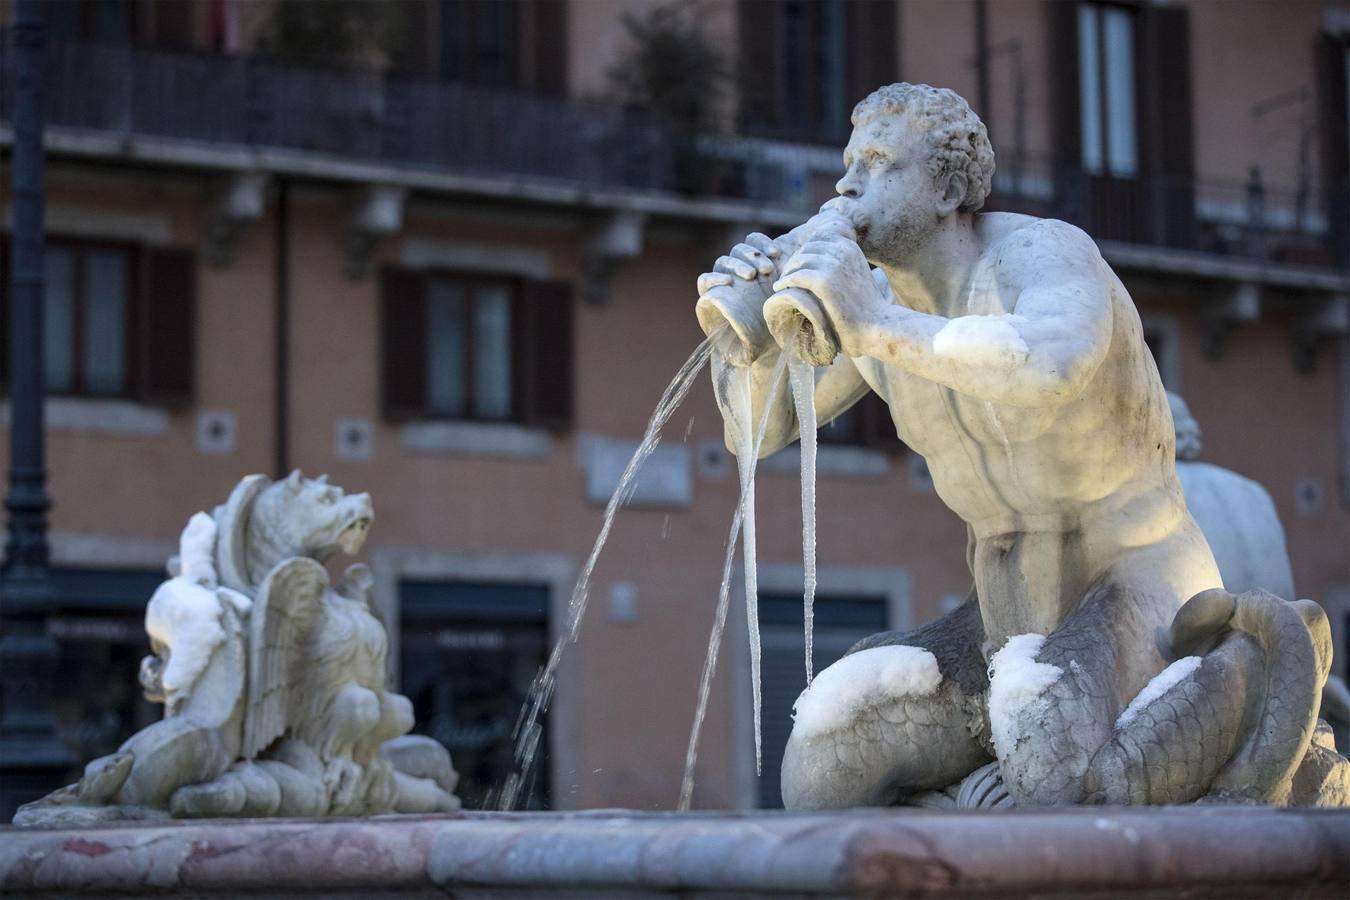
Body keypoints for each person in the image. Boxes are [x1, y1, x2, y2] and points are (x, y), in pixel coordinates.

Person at [696, 83, 1233, 807]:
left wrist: (869, 323)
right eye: (848, 163)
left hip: (1140, 583)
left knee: (1043, 740)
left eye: (880, 163)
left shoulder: (1040, 253)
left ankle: (1238, 682)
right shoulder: (878, 304)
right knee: (827, 749)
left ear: (948, 189)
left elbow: (1051, 363)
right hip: (1002, 616)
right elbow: (753, 432)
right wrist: (747, 344)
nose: (847, 184)